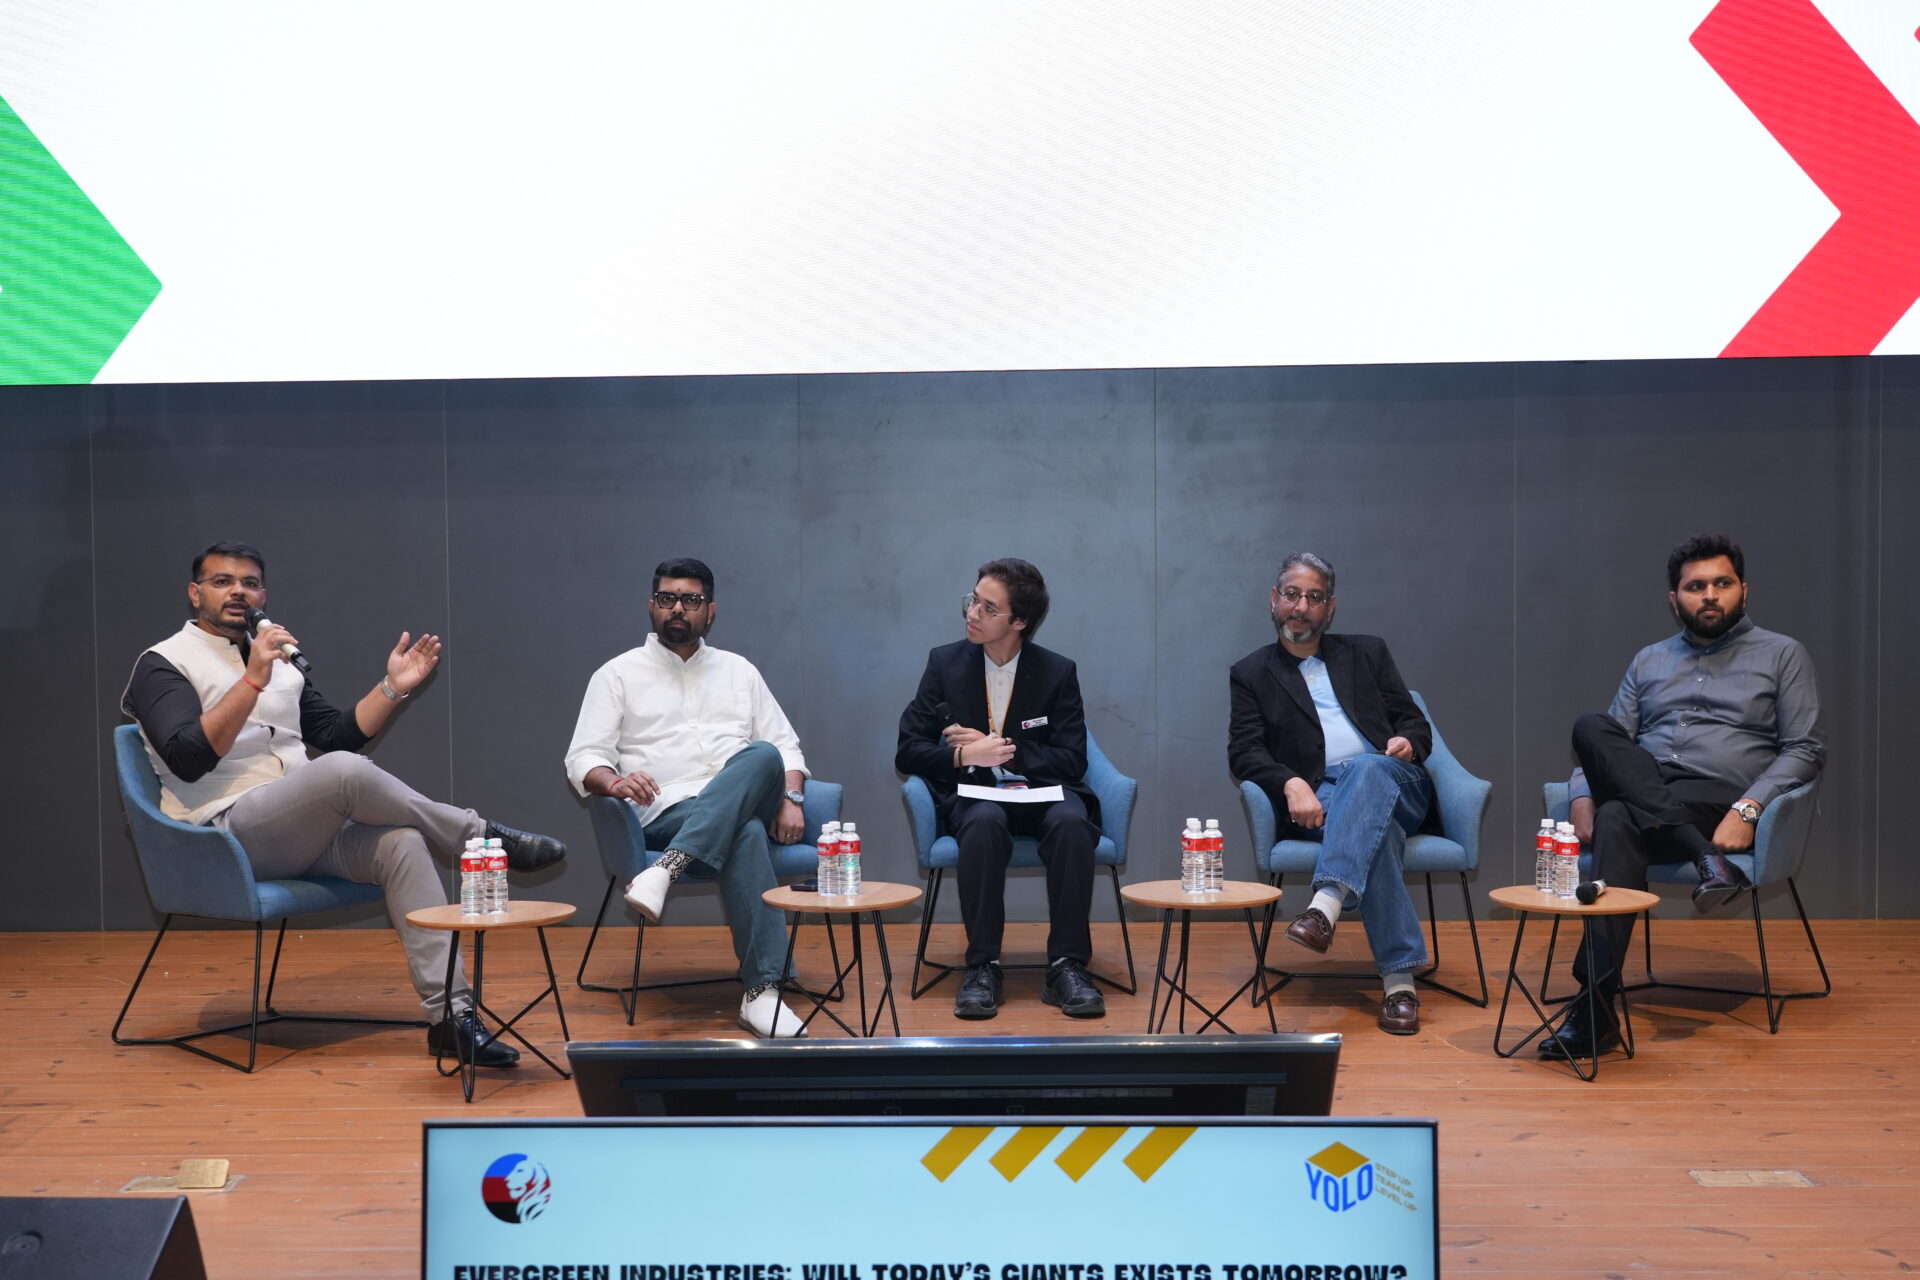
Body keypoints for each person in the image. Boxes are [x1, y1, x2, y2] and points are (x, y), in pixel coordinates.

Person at [122, 542, 567, 1067]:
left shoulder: (280, 664)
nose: (238, 591)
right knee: (337, 775)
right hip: (225, 837)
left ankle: (451, 1018)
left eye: (250, 582)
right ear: (196, 593)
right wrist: (251, 680)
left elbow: (335, 736)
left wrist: (392, 688)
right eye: (222, 581)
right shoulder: (164, 662)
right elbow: (188, 757)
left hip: (300, 832)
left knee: (400, 842)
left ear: (264, 594)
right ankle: (480, 835)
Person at [1546, 533, 1825, 1059]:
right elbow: (1610, 745)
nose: (1711, 595)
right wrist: (1579, 793)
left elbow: (1806, 749)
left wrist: (1750, 807)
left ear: (1745, 590)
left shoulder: (1783, 654)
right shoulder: (1649, 660)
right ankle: (1704, 861)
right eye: (1696, 587)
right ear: (1675, 600)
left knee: (1618, 817)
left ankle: (1594, 1006)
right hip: (1657, 793)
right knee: (1591, 729)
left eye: (1722, 583)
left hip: (1720, 802)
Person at [564, 557, 812, 1038]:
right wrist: (614, 783)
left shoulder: (740, 671)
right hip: (664, 811)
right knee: (745, 830)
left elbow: (786, 747)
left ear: (710, 611)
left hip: (737, 796)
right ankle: (763, 993)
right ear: (651, 606)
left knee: (761, 754)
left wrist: (793, 797)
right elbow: (583, 757)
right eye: (667, 598)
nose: (678, 608)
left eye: (691, 600)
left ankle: (666, 869)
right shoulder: (616, 675)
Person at [1228, 552, 1438, 1035]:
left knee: (1365, 769)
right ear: (1274, 600)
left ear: (1331, 607)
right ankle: (1400, 983)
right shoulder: (1251, 673)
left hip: (1395, 782)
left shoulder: (1367, 652)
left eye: (1315, 597)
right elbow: (1243, 752)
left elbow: (1412, 720)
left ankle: (1323, 904)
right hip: (1322, 800)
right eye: (1293, 594)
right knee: (1376, 839)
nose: (1302, 606)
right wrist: (1291, 782)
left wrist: (1408, 743)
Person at [896, 558, 1105, 1021]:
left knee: (1073, 822)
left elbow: (1073, 760)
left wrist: (1004, 751)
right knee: (985, 823)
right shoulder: (945, 664)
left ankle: (1067, 966)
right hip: (976, 795)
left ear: (1019, 621)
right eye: (972, 600)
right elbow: (907, 750)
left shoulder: (1057, 671)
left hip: (1044, 793)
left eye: (988, 608)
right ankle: (982, 966)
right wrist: (964, 757)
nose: (972, 612)